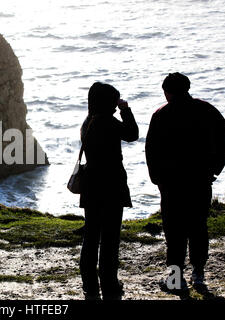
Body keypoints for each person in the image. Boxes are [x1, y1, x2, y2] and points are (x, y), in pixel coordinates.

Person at [145, 72, 225, 291]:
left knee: (174, 231)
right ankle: (199, 274)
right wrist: (215, 169)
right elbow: (224, 138)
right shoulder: (207, 110)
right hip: (200, 180)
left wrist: (157, 178)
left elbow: (151, 150)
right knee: (198, 227)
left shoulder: (161, 115)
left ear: (167, 92)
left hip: (171, 183)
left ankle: (175, 279)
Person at [79, 82, 139, 300]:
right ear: (107, 102)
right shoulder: (107, 121)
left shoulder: (88, 121)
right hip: (111, 185)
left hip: (91, 184)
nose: (116, 105)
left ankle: (89, 285)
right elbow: (132, 134)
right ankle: (109, 284)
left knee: (91, 236)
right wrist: (126, 110)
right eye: (114, 101)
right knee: (110, 238)